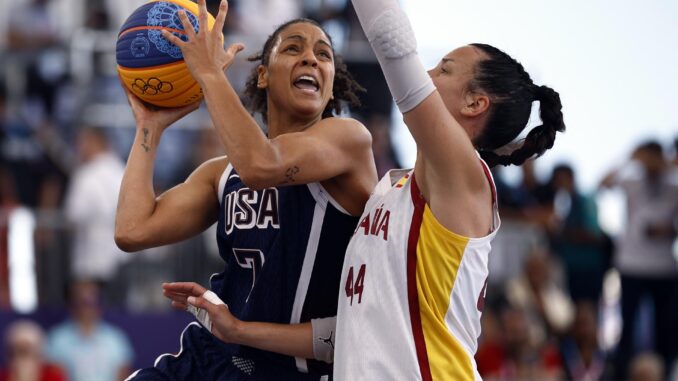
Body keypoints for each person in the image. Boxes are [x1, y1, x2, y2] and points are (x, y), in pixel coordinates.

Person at [116, 1, 376, 379]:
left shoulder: (349, 140)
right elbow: (132, 230)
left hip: (291, 370)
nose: (311, 59)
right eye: (293, 48)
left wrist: (209, 75)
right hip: (211, 357)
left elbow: (261, 166)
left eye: (324, 54)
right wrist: (149, 128)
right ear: (263, 76)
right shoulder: (221, 173)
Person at [331, 0, 565, 379]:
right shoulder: (393, 189)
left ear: (475, 103)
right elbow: (360, 323)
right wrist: (241, 330)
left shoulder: (465, 175)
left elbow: (393, 42)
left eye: (444, 69)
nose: (426, 72)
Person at [600, 140, 678, 380]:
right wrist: (629, 157)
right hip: (631, 264)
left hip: (664, 267)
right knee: (628, 329)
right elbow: (603, 183)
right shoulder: (632, 180)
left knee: (666, 330)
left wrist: (668, 231)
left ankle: (664, 374)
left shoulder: (674, 183)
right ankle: (624, 374)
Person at [64, 127, 127, 303]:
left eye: (82, 143)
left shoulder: (85, 174)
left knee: (91, 307)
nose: (79, 148)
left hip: (90, 260)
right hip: (122, 254)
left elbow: (73, 214)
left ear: (96, 142)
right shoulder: (122, 170)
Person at [45, 280, 134, 381]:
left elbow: (123, 375)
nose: (86, 308)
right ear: (71, 304)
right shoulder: (57, 339)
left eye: (90, 301)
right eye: (81, 302)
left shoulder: (115, 338)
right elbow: (55, 376)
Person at [0, 320, 66, 381]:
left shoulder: (54, 375)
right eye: (14, 352)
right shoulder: (2, 375)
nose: (22, 359)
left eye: (26, 351)